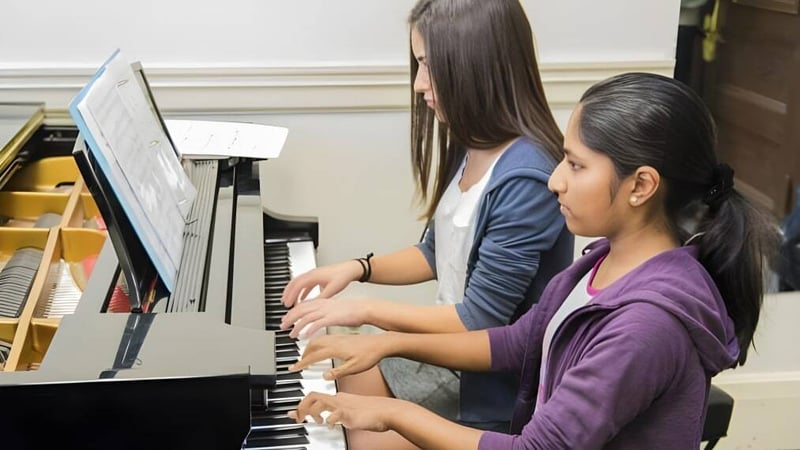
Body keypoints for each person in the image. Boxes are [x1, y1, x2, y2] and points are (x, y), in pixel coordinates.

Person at [286, 72, 781, 449]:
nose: (554, 181)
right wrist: (389, 345)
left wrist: (392, 414)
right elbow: (520, 343)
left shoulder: (646, 326)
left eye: (576, 164)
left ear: (642, 186)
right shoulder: (599, 263)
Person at [280, 0, 574, 441]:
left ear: (477, 66)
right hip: (449, 357)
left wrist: (365, 309)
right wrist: (358, 269)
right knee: (334, 364)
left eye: (430, 66)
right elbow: (435, 253)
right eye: (418, 65)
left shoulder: (526, 177)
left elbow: (478, 319)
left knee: (342, 408)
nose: (419, 84)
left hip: (487, 386)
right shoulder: (477, 142)